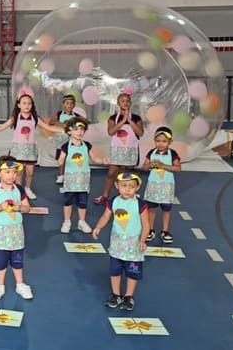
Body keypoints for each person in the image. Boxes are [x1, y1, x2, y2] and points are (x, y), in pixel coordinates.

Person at [92, 171, 150, 311]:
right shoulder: (113, 201)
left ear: (137, 188)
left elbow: (146, 225)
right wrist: (98, 227)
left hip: (134, 245)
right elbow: (105, 216)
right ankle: (116, 295)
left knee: (132, 272)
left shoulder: (140, 204)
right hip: (117, 244)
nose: (127, 189)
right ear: (117, 185)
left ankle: (128, 296)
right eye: (124, 186)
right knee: (115, 271)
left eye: (131, 186)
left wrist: (143, 240)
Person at [0, 93, 59, 199]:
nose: (27, 105)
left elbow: (49, 127)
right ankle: (18, 190)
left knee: (30, 173)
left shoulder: (35, 117)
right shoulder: (15, 117)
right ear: (19, 105)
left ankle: (28, 188)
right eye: (24, 103)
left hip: (30, 150)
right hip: (18, 150)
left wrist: (65, 130)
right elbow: (1, 127)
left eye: (29, 103)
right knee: (18, 172)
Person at [0, 156, 33, 300]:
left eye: (14, 172)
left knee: (17, 260)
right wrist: (0, 207)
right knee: (0, 261)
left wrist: (20, 207)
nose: (11, 175)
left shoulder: (19, 189)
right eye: (7, 172)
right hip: (1, 233)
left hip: (16, 232)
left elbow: (28, 207)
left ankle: (20, 284)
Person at [57, 118, 108, 234]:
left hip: (83, 180)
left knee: (83, 202)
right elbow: (61, 159)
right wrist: (60, 162)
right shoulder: (65, 146)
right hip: (70, 180)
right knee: (68, 201)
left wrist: (102, 161)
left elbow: (94, 158)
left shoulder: (87, 145)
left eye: (82, 129)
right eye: (76, 129)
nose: (79, 132)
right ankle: (67, 221)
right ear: (69, 131)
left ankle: (82, 222)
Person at [95, 92, 144, 205]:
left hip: (130, 149)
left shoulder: (136, 118)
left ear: (130, 103)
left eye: (127, 101)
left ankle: (128, 195)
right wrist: (122, 121)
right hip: (117, 149)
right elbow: (111, 132)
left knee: (129, 174)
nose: (125, 103)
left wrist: (130, 120)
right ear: (118, 103)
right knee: (112, 173)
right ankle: (105, 196)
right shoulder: (113, 118)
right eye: (123, 101)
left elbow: (140, 133)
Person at [140, 126, 181, 244]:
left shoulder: (172, 154)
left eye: (164, 141)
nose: (161, 144)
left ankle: (165, 231)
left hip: (166, 186)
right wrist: (150, 165)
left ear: (170, 142)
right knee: (151, 209)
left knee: (166, 210)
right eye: (158, 141)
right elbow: (144, 167)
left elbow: (178, 168)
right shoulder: (151, 153)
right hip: (153, 186)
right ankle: (150, 229)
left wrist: (163, 166)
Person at [50, 94, 85, 184]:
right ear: (63, 104)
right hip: (61, 141)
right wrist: (60, 124)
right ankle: (61, 176)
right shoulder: (58, 114)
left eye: (71, 103)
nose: (69, 105)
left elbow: (86, 122)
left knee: (73, 158)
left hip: (72, 141)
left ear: (74, 105)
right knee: (61, 159)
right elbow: (51, 122)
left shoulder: (76, 116)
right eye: (67, 103)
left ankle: (73, 175)